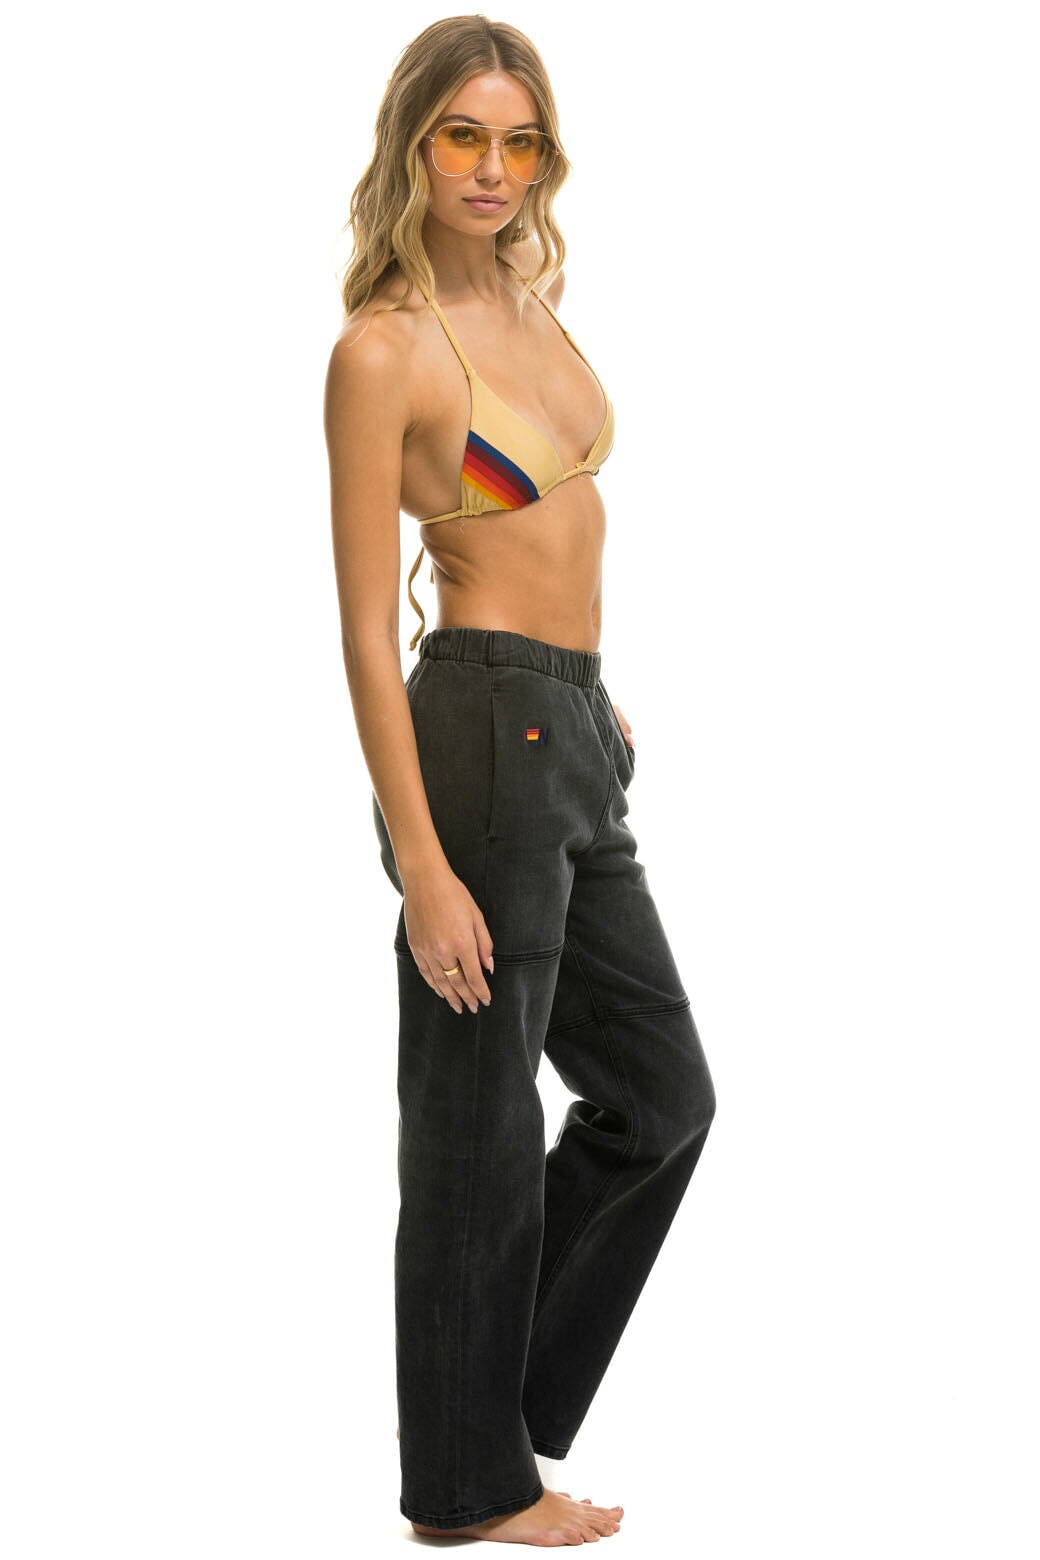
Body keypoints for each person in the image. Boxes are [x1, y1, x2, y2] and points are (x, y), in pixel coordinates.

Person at [323, 15, 716, 1545]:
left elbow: (559, 538)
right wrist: (421, 864)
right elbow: (368, 629)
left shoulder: (533, 303)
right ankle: (467, 1485)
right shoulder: (386, 350)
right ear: (413, 146)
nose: (493, 169)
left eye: (519, 140)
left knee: (661, 1098)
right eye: (462, 137)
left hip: (568, 731)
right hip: (480, 735)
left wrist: (593, 693)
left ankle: (479, 1405)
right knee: (478, 1127)